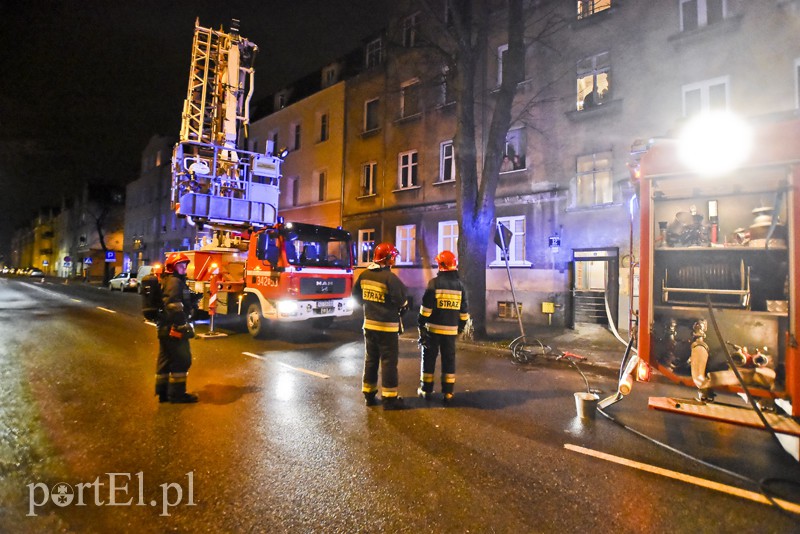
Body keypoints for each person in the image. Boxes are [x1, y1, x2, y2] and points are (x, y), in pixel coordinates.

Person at [352, 242, 409, 410]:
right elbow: (401, 301)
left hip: (369, 325)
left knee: (371, 360)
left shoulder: (364, 275)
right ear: (386, 258)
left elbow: (356, 296)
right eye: (392, 257)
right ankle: (390, 399)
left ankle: (369, 395)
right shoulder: (390, 278)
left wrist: (370, 306)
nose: (394, 260)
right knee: (388, 362)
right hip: (387, 328)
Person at [417, 250, 470, 405]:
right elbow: (464, 313)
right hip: (450, 332)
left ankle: (426, 390)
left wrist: (421, 324)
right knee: (449, 360)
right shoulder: (460, 286)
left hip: (432, 331)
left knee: (429, 360)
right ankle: (448, 392)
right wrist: (460, 328)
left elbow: (426, 310)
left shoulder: (434, 283)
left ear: (440, 265)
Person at [155, 252, 198, 403]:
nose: (184, 268)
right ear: (172, 267)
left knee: (166, 360)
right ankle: (177, 395)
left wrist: (192, 299)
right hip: (173, 328)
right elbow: (173, 305)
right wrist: (182, 325)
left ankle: (163, 393)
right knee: (182, 359)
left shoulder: (170, 280)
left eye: (185, 265)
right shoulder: (174, 281)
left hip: (165, 327)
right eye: (180, 265)